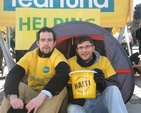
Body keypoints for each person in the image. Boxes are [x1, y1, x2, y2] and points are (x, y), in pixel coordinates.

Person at [0, 26, 70, 113]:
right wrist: (13, 97)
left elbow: (63, 74)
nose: (46, 43)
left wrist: (41, 97)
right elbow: (14, 73)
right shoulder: (30, 56)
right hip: (33, 93)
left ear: (54, 43)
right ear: (38, 43)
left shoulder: (58, 56)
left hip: (51, 96)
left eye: (49, 40)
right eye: (43, 40)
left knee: (62, 88)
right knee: (18, 86)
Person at [67, 35, 128, 113]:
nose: (84, 51)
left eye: (87, 47)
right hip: (83, 103)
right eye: (81, 48)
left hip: (100, 101)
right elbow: (67, 88)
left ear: (93, 48)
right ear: (77, 50)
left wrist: (103, 83)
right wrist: (72, 96)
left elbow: (115, 85)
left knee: (113, 89)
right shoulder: (70, 63)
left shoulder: (103, 60)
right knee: (72, 108)